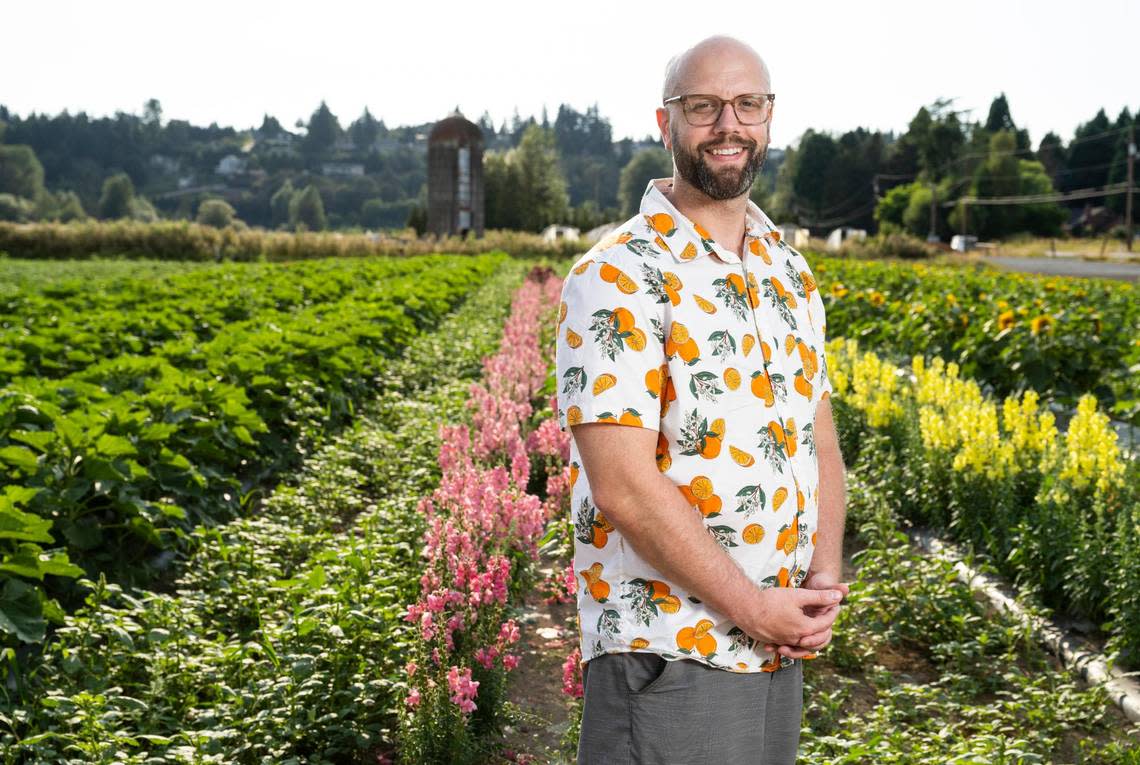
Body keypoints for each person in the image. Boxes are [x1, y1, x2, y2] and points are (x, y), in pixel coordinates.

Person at [554, 35, 850, 764]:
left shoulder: (788, 271)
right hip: (669, 655)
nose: (728, 124)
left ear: (770, 119)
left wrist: (822, 581)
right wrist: (754, 607)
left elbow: (819, 437)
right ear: (666, 124)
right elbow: (622, 485)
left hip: (777, 648)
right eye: (703, 107)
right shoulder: (617, 276)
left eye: (747, 104)